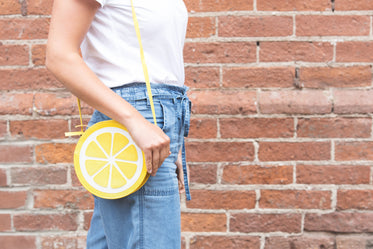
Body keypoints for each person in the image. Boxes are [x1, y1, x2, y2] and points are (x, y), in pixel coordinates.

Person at [46, 0, 191, 248]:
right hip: (132, 119)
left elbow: (159, 61)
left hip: (155, 119)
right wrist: (136, 122)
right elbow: (59, 56)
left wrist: (170, 137)